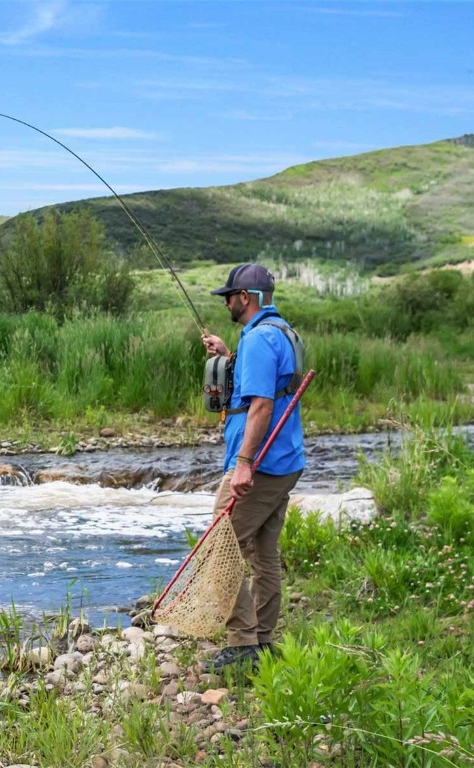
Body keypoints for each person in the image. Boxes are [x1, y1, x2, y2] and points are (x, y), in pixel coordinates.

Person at [199, 263, 305, 673]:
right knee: (264, 554)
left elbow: (261, 406)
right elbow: (268, 386)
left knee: (218, 548)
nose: (226, 301)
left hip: (260, 464)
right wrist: (229, 356)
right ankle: (261, 640)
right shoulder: (280, 331)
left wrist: (243, 464)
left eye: (229, 295)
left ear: (247, 297)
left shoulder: (260, 339)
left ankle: (243, 644)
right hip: (284, 460)